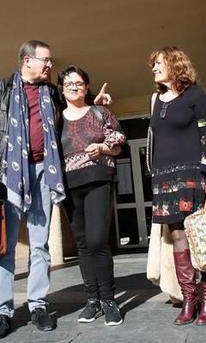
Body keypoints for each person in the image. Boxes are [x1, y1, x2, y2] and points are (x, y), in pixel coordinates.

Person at [0, 40, 111, 339]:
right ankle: (3, 311)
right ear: (27, 61)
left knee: (40, 244)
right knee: (5, 246)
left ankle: (38, 305)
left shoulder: (51, 93)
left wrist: (94, 106)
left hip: (43, 173)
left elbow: (74, 115)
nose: (51, 66)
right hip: (8, 174)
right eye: (45, 61)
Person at [146, 46, 206, 327]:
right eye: (153, 64)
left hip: (193, 174)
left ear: (175, 64)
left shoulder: (195, 95)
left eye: (159, 63)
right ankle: (190, 298)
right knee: (178, 236)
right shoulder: (157, 99)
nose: (153, 68)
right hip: (165, 179)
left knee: (201, 237)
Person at [57, 65, 126, 326]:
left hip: (98, 180)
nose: (74, 87)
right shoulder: (55, 117)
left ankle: (109, 300)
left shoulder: (100, 112)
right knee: (83, 244)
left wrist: (103, 148)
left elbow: (118, 145)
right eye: (68, 83)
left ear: (87, 87)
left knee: (98, 241)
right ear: (62, 89)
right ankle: (92, 301)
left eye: (79, 83)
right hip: (67, 185)